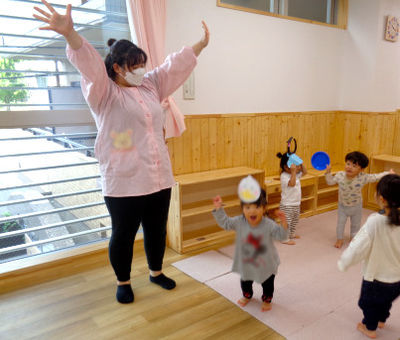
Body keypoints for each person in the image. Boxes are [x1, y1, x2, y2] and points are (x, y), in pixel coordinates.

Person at [33, 0, 209, 303]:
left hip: (158, 176)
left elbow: (173, 66)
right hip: (124, 181)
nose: (142, 70)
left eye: (143, 63)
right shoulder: (104, 92)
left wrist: (201, 44)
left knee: (156, 230)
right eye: (135, 66)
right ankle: (123, 281)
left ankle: (156, 272)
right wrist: (71, 35)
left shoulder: (150, 86)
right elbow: (89, 65)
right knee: (124, 235)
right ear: (117, 67)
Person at [338, 174, 400, 339]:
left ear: (381, 198)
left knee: (367, 304)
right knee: (385, 302)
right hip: (397, 280)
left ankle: (370, 328)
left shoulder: (374, 221)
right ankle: (382, 319)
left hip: (376, 280)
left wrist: (345, 262)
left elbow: (358, 247)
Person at [212, 183, 288, 312]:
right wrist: (219, 209)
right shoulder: (239, 221)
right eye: (247, 207)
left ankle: (266, 299)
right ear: (242, 209)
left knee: (267, 284)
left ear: (264, 209)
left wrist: (284, 223)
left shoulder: (268, 224)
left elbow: (281, 236)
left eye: (257, 207)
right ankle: (247, 295)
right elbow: (225, 223)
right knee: (246, 281)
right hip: (247, 262)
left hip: (266, 263)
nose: (252, 211)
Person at [325, 151, 393, 248]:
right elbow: (330, 182)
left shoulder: (363, 177)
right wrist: (328, 172)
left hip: (356, 206)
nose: (349, 167)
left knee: (356, 224)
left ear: (361, 169)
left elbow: (375, 177)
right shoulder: (340, 175)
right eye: (348, 164)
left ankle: (353, 238)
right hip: (343, 206)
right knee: (340, 224)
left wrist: (388, 173)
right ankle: (339, 239)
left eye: (354, 166)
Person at [276, 149, 307, 245]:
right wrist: (293, 172)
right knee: (287, 222)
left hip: (296, 203)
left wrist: (301, 163)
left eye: (297, 166)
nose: (297, 168)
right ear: (286, 167)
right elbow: (292, 184)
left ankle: (291, 234)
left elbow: (305, 172)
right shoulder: (284, 176)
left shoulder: (296, 174)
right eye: (295, 166)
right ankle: (284, 238)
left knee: (294, 220)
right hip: (287, 204)